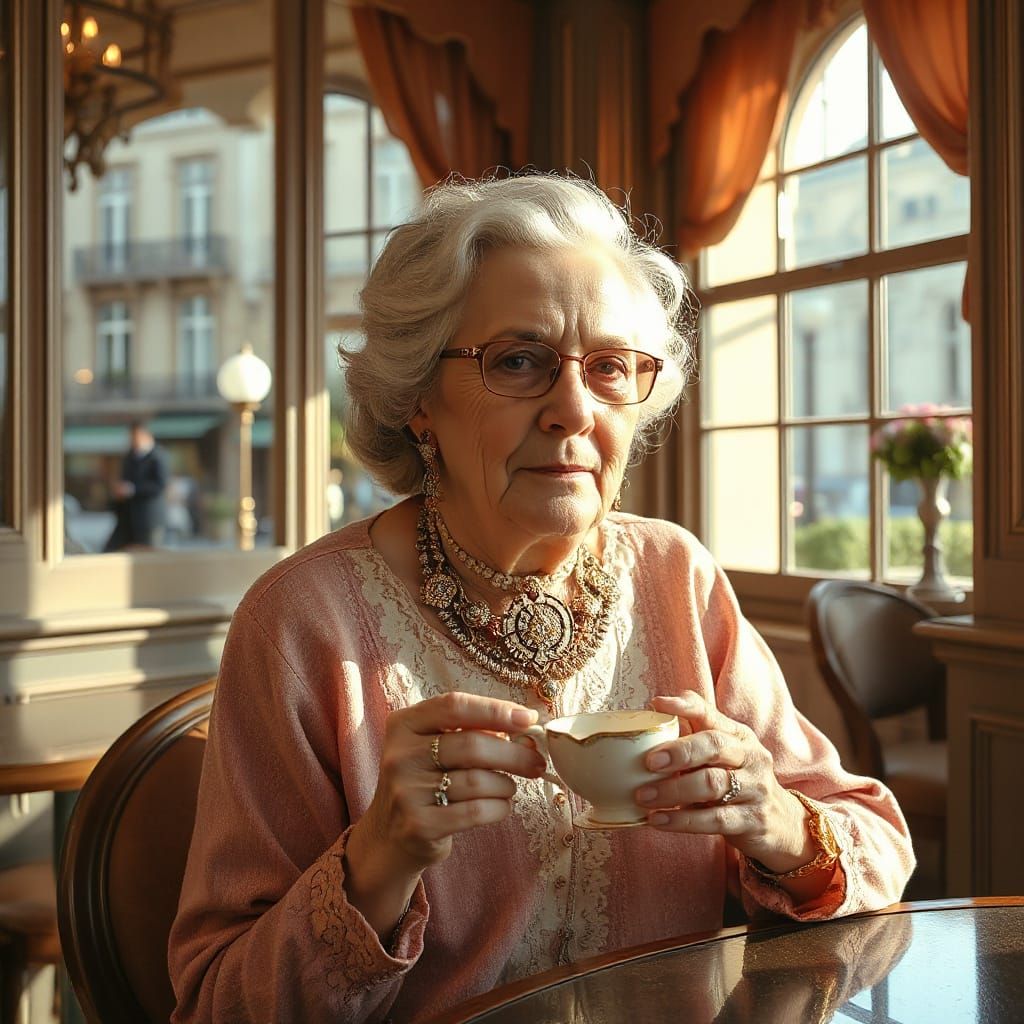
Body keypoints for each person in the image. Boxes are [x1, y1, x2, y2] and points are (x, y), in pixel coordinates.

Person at [169, 174, 914, 1023]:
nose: (573, 410)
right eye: (518, 362)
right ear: (419, 400)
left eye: (610, 368)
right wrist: (378, 859)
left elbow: (879, 841)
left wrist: (775, 820)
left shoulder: (676, 574)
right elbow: (217, 1003)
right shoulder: (302, 623)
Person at [102, 420, 169, 551]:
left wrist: (132, 489)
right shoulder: (129, 457)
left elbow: (160, 485)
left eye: (135, 437)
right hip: (128, 519)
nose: (133, 441)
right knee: (111, 551)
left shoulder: (158, 456)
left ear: (145, 436)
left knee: (147, 555)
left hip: (149, 519)